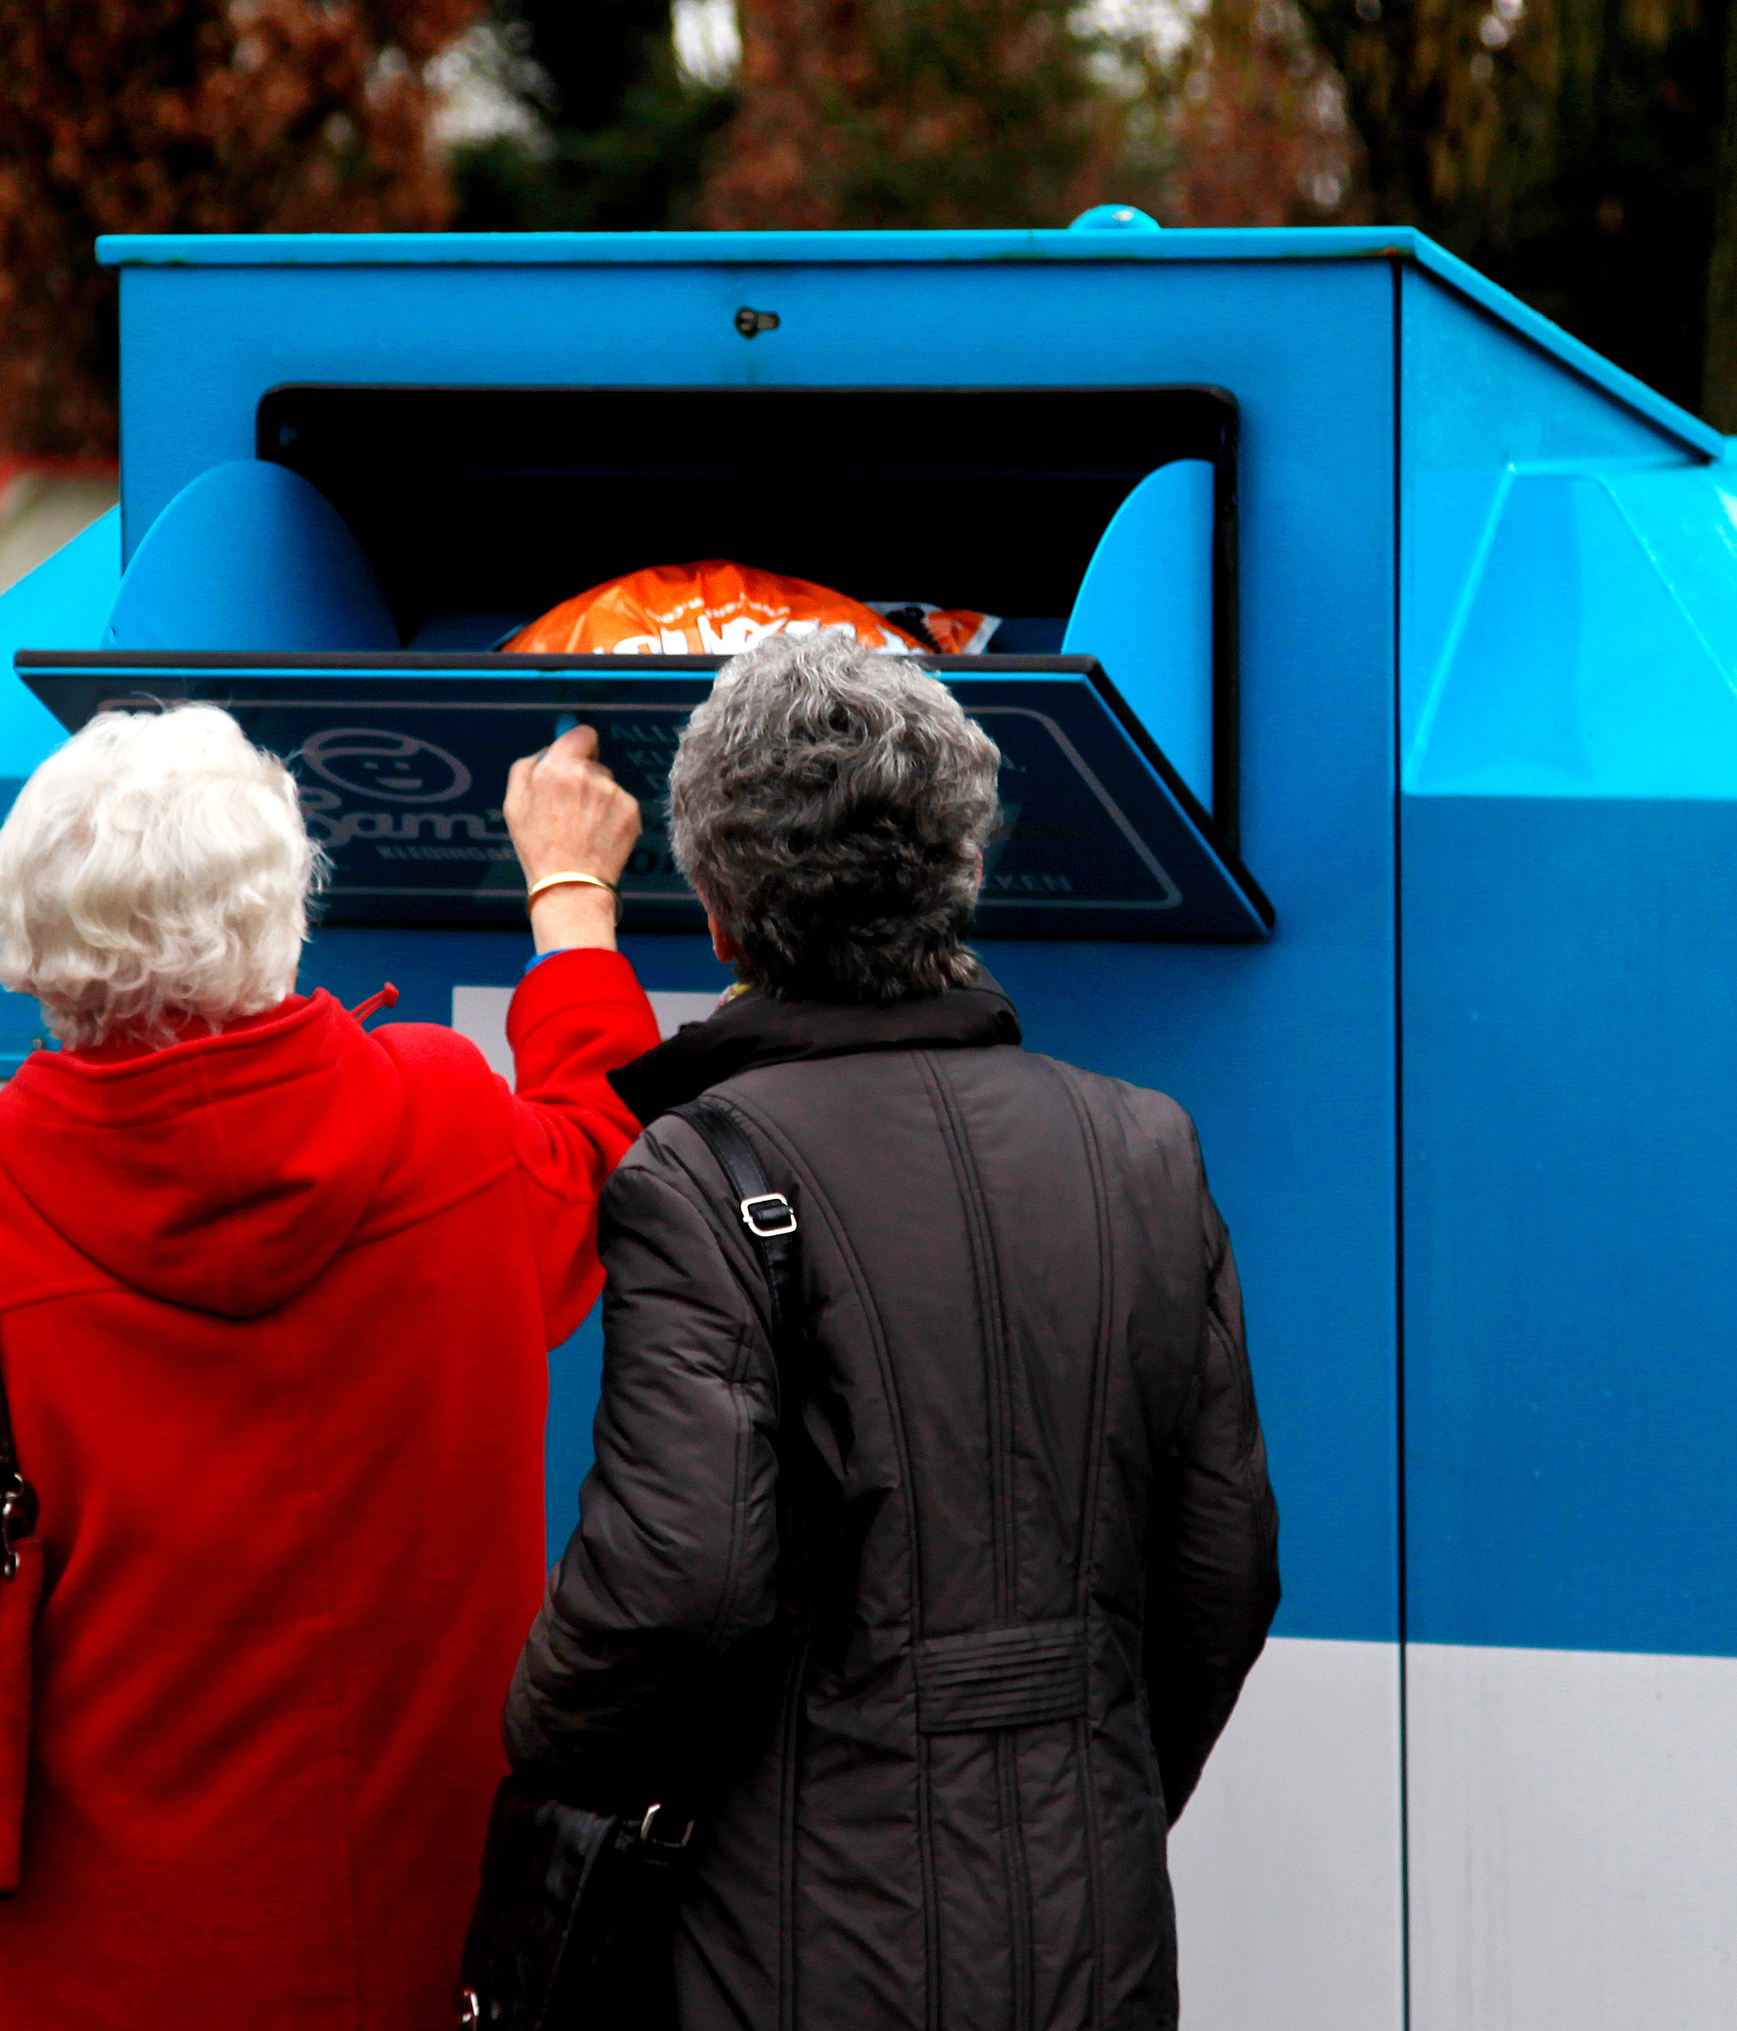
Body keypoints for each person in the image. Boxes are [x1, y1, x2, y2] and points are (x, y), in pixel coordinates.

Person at [0, 704, 655, 2030]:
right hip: (439, 1956)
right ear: (283, 910)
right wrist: (573, 903)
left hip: (96, 1979)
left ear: (30, 945)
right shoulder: (447, 1121)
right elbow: (605, 1152)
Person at [505, 629, 1281, 2031]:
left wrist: (537, 1745)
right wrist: (1085, 1782)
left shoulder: (698, 1168)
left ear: (721, 914)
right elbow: (1223, 1570)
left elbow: (676, 1587)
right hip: (1094, 1922)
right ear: (960, 870)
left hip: (792, 1937)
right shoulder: (1145, 1147)